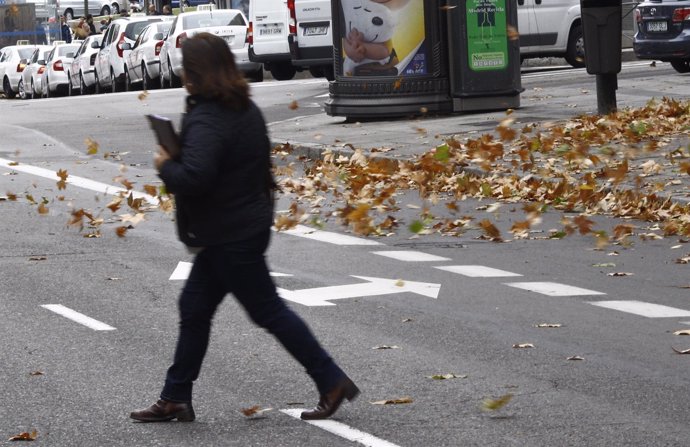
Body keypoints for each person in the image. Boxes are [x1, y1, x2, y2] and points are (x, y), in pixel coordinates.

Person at [129, 32, 359, 423]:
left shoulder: (209, 116)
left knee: (267, 311)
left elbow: (197, 177)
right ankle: (175, 396)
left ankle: (331, 379)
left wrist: (165, 164)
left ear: (196, 72)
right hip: (239, 225)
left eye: (187, 67)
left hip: (228, 234)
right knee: (195, 306)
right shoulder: (240, 107)